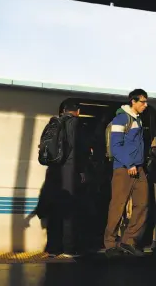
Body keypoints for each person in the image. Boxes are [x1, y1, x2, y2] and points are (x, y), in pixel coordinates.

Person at [104, 89, 149, 257]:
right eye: (143, 102)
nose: (145, 105)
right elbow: (116, 146)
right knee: (118, 205)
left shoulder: (138, 119)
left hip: (139, 168)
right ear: (133, 102)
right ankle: (110, 244)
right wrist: (129, 163)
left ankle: (129, 241)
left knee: (142, 204)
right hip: (124, 168)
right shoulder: (121, 118)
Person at [44, 101, 88, 257]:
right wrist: (82, 171)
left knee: (55, 208)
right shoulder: (77, 124)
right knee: (69, 209)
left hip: (54, 171)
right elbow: (81, 150)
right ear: (78, 111)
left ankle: (52, 248)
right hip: (70, 170)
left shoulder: (54, 122)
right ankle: (69, 248)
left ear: (63, 110)